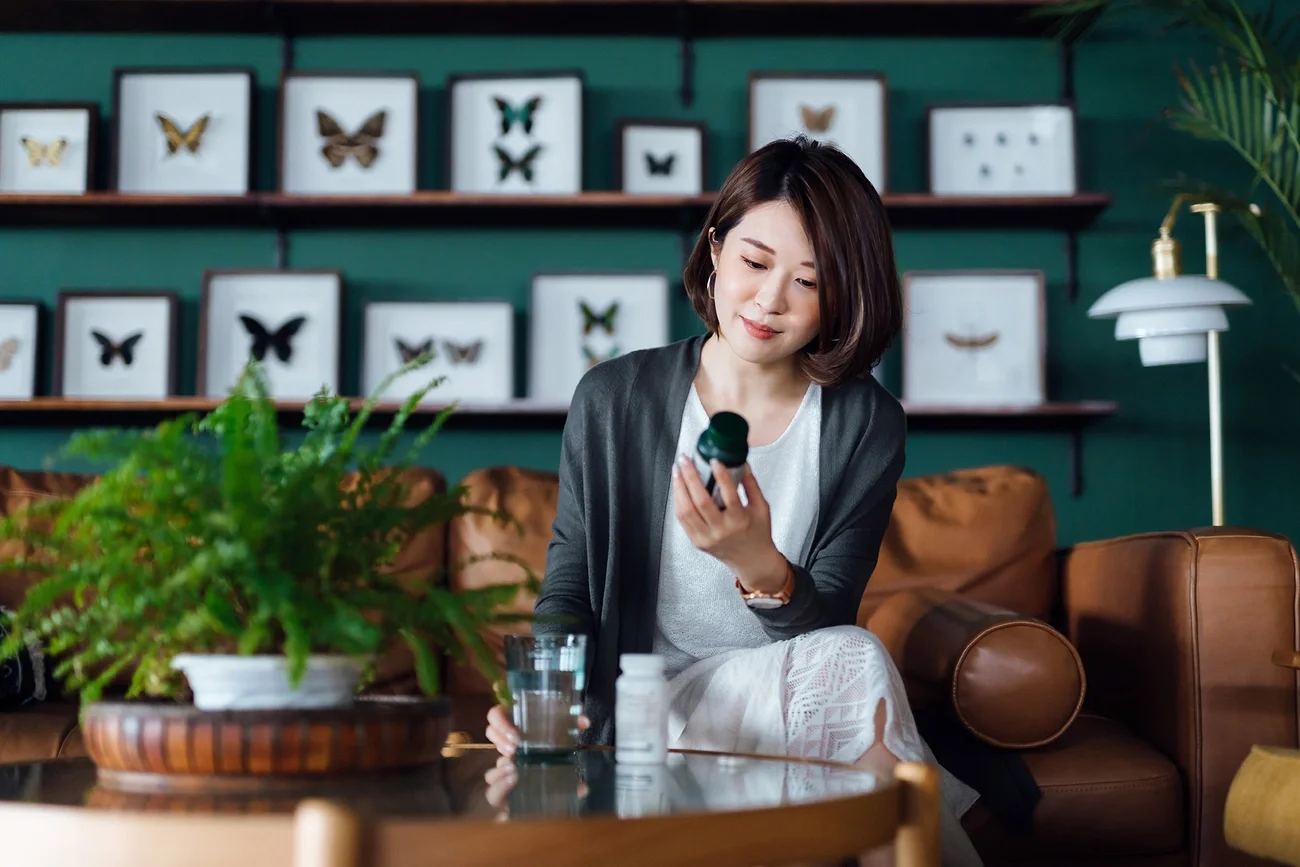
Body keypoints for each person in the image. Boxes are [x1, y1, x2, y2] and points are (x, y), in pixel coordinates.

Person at [484, 135, 984, 866]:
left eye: (809, 283)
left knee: (854, 655)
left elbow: (828, 618)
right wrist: (547, 709)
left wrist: (761, 566)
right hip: (646, 703)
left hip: (792, 693)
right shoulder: (615, 396)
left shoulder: (864, 422)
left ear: (844, 294)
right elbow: (570, 580)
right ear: (715, 249)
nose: (769, 301)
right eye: (754, 262)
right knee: (859, 665)